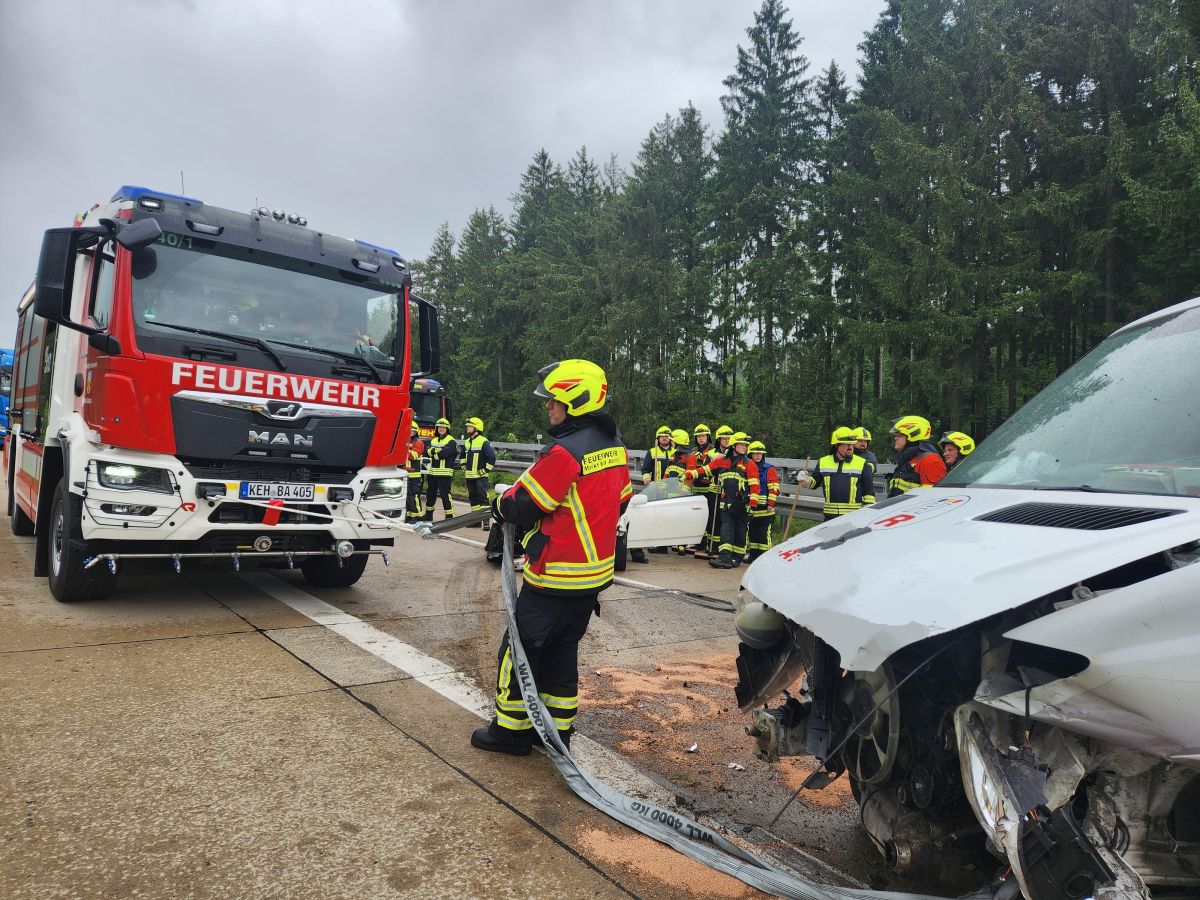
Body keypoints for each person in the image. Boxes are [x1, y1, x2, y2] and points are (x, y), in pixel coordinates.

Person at [472, 359, 632, 755]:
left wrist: (499, 505)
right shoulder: (614, 447)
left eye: (553, 400)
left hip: (555, 576)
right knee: (562, 655)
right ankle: (558, 734)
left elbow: (524, 503)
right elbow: (622, 501)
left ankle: (510, 733)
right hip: (590, 581)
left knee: (519, 653)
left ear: (575, 402)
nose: (548, 407)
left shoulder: (564, 452)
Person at [698, 432, 759, 569]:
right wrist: (689, 474)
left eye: (746, 445)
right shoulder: (722, 461)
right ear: (733, 446)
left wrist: (753, 504)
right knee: (726, 529)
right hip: (726, 504)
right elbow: (705, 469)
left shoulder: (750, 464)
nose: (744, 447)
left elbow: (755, 486)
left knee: (740, 531)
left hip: (742, 504)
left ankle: (736, 559)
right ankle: (724, 558)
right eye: (742, 445)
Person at [800, 427, 876, 520]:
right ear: (837, 445)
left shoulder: (862, 463)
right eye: (846, 444)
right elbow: (814, 483)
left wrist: (868, 513)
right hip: (829, 517)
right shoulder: (824, 461)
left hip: (853, 517)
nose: (850, 447)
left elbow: (869, 491)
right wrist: (806, 480)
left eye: (852, 444)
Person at [887, 415, 947, 496]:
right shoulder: (907, 459)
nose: (895, 438)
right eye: (895, 436)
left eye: (900, 435)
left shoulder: (930, 459)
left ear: (913, 435)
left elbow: (932, 497)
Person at [686, 424, 721, 559]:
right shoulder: (693, 450)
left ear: (708, 437)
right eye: (699, 436)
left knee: (710, 517)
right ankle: (699, 543)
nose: (701, 439)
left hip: (709, 489)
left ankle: (709, 544)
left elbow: (711, 467)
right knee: (698, 516)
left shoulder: (713, 450)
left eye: (703, 436)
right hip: (697, 488)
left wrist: (703, 459)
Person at [746, 440, 780, 560]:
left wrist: (770, 503)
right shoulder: (746, 467)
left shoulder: (768, 468)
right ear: (750, 454)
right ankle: (753, 556)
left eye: (760, 453)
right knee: (753, 534)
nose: (758, 455)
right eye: (756, 453)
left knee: (763, 536)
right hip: (752, 509)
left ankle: (765, 559)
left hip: (765, 510)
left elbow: (774, 488)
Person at [462, 416, 496, 529]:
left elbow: (491, 457)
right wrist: (463, 466)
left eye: (470, 426)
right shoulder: (466, 442)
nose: (467, 428)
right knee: (473, 498)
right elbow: (462, 455)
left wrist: (484, 470)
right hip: (469, 476)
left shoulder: (483, 441)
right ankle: (476, 521)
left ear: (476, 428)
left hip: (480, 477)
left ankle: (485, 522)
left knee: (483, 498)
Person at [421, 417, 458, 521]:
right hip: (432, 473)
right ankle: (428, 515)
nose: (441, 429)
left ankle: (449, 516)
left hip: (444, 474)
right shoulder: (433, 440)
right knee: (430, 494)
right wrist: (436, 451)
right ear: (436, 428)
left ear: (447, 429)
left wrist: (434, 453)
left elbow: (445, 454)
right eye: (439, 427)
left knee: (445, 495)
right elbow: (427, 452)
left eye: (443, 427)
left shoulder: (451, 441)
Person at [404, 423, 425, 521]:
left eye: (413, 430)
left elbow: (414, 456)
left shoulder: (418, 442)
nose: (411, 432)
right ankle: (410, 515)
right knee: (407, 496)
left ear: (416, 431)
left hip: (414, 474)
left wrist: (404, 449)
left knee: (414, 495)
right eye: (409, 429)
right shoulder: (405, 441)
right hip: (405, 473)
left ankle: (418, 515)